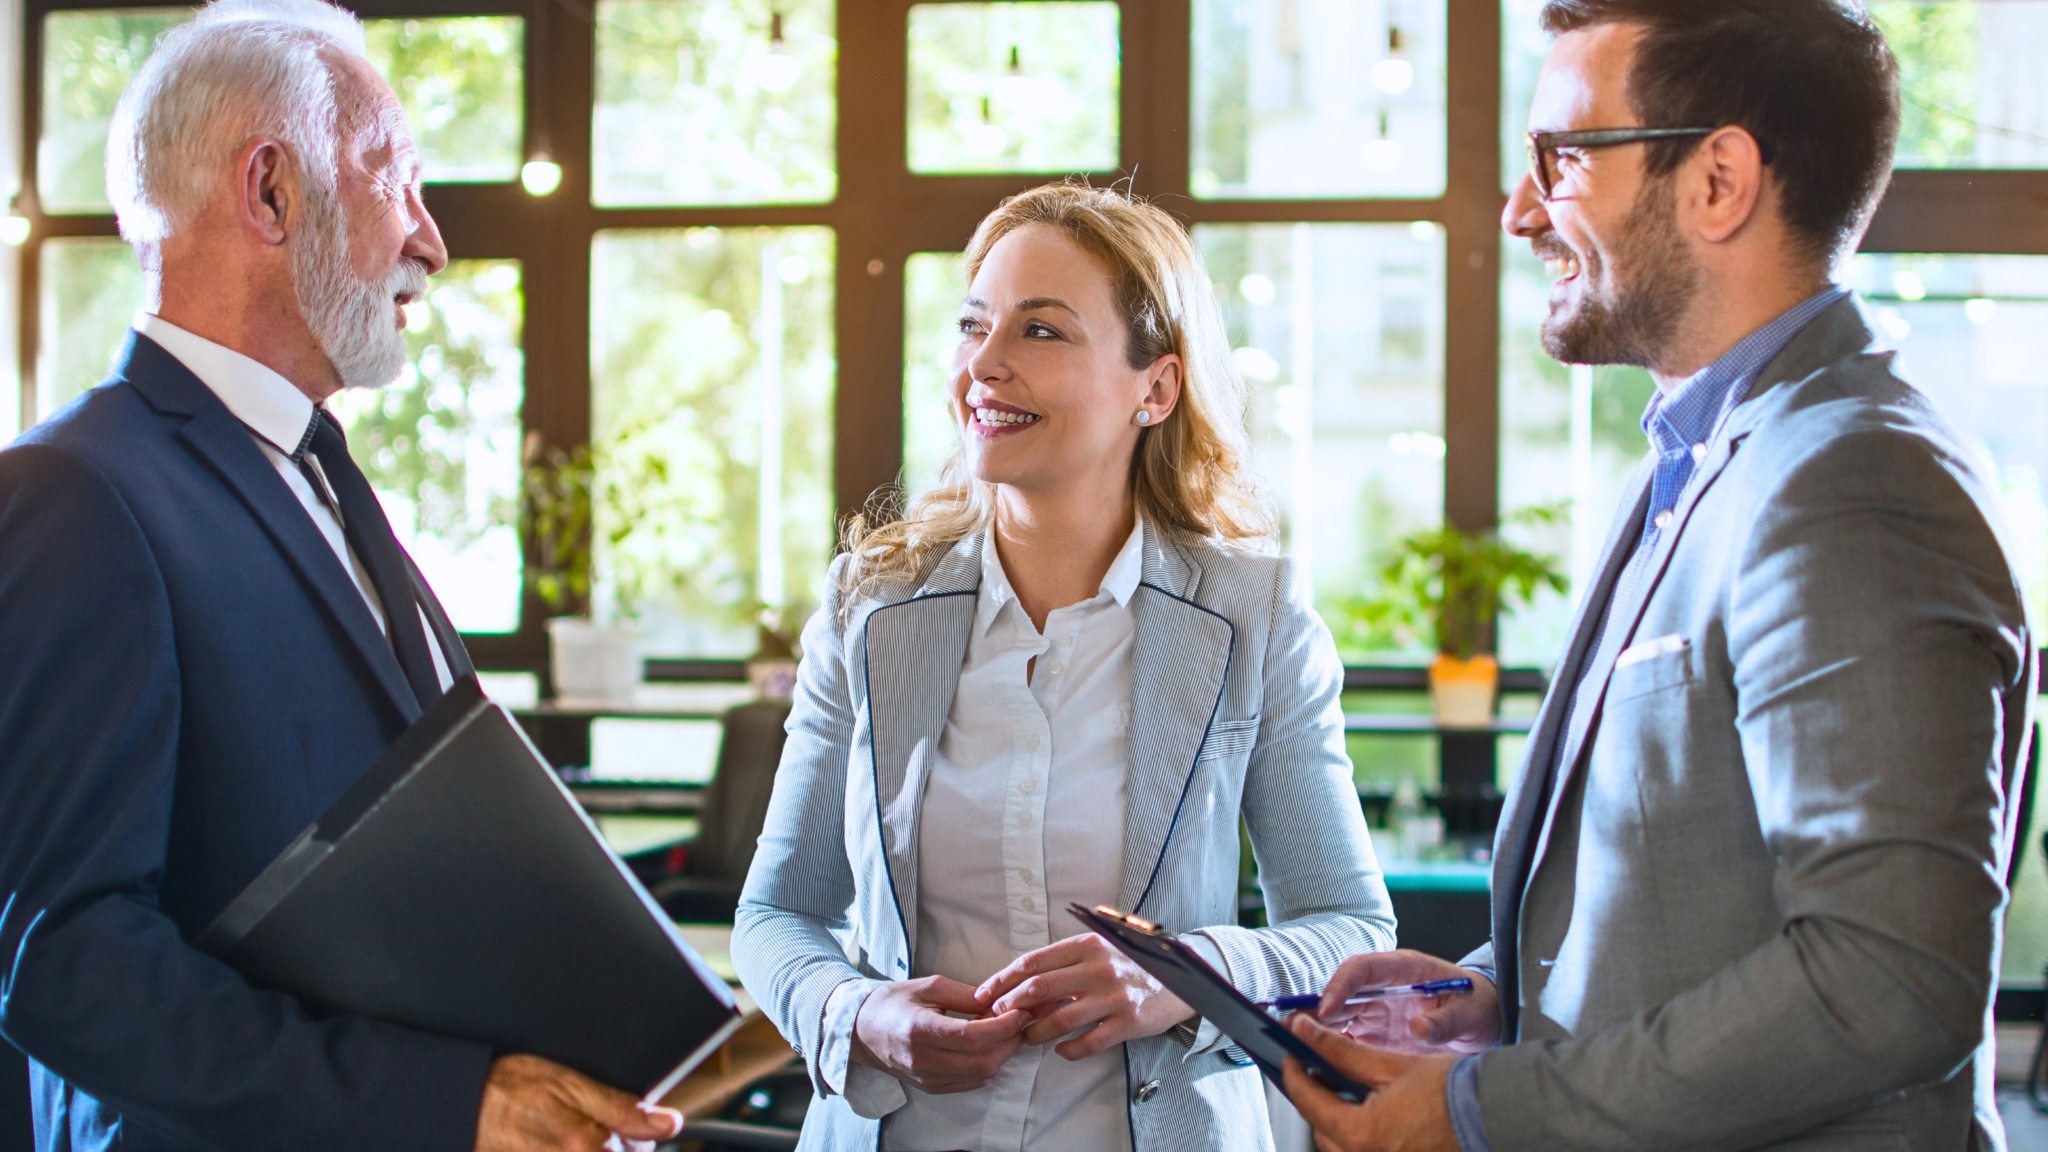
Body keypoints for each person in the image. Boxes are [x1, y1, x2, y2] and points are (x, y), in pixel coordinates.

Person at [1277, 2, 2037, 1150]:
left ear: (1719, 180)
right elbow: (1700, 891)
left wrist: (1483, 1110)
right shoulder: (1699, 458)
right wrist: (1499, 997)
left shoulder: (1852, 477)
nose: (1518, 209)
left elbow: (1884, 978)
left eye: (1562, 157)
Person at [0, 2, 683, 1149]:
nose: (431, 239)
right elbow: (64, 960)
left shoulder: (322, 477)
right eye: (396, 179)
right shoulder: (76, 494)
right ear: (271, 190)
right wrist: (443, 1103)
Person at [731, 182, 1396, 1151]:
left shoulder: (1252, 618)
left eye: (1039, 331)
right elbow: (777, 914)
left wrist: (1180, 974)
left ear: (1154, 388)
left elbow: (1347, 926)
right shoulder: (866, 609)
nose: (983, 365)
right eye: (971, 326)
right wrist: (857, 1016)